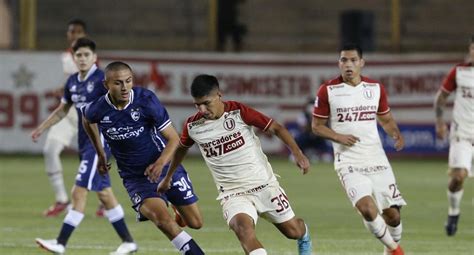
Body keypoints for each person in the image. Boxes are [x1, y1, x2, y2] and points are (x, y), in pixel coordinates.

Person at [158, 74, 313, 255]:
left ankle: (305, 236)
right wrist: (168, 177)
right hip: (232, 194)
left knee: (292, 231)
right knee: (243, 229)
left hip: (264, 185)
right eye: (197, 105)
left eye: (206, 103)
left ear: (219, 95)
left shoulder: (238, 112)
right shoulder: (193, 126)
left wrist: (297, 153)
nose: (202, 109)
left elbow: (276, 128)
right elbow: (181, 149)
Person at [82, 61, 205, 254]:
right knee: (162, 221)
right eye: (118, 83)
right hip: (135, 177)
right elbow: (87, 120)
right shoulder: (98, 108)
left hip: (163, 166)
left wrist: (160, 163)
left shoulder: (146, 101)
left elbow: (174, 139)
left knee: (196, 223)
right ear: (106, 85)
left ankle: (175, 206)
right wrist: (100, 153)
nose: (124, 87)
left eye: (128, 81)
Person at [31, 38, 137, 255]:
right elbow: (63, 109)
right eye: (78, 55)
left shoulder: (102, 80)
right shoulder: (72, 81)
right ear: (73, 57)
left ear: (94, 57)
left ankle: (60, 243)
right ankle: (128, 242)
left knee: (79, 192)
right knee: (105, 194)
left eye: (86, 55)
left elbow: (122, 103)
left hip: (99, 144)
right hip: (84, 141)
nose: (82, 59)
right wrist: (42, 127)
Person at [311, 44, 406, 255]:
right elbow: (316, 126)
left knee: (393, 216)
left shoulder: (375, 88)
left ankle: (389, 251)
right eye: (343, 60)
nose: (348, 65)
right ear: (339, 63)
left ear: (361, 63)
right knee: (367, 209)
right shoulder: (328, 90)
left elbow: (386, 118)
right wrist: (338, 136)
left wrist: (395, 133)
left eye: (353, 60)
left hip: (377, 159)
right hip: (349, 162)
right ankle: (396, 250)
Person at [40, 18, 85, 217]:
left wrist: (65, 90)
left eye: (77, 32)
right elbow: (72, 83)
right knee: (50, 149)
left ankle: (106, 203)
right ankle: (62, 200)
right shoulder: (67, 56)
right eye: (71, 32)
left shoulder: (87, 55)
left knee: (97, 157)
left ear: (83, 35)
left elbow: (88, 81)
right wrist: (62, 91)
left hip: (87, 113)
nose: (73, 35)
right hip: (69, 111)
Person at [433, 35, 474, 237]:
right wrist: (440, 122)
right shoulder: (459, 72)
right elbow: (440, 98)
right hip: (462, 134)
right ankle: (453, 212)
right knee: (457, 178)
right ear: (470, 49)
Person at [293, 98, 332, 163]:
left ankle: (325, 153)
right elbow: (303, 128)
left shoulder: (322, 115)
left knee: (327, 138)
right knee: (299, 137)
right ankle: (297, 154)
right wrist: (311, 118)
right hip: (306, 136)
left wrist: (316, 118)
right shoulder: (303, 115)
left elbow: (324, 126)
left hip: (319, 137)